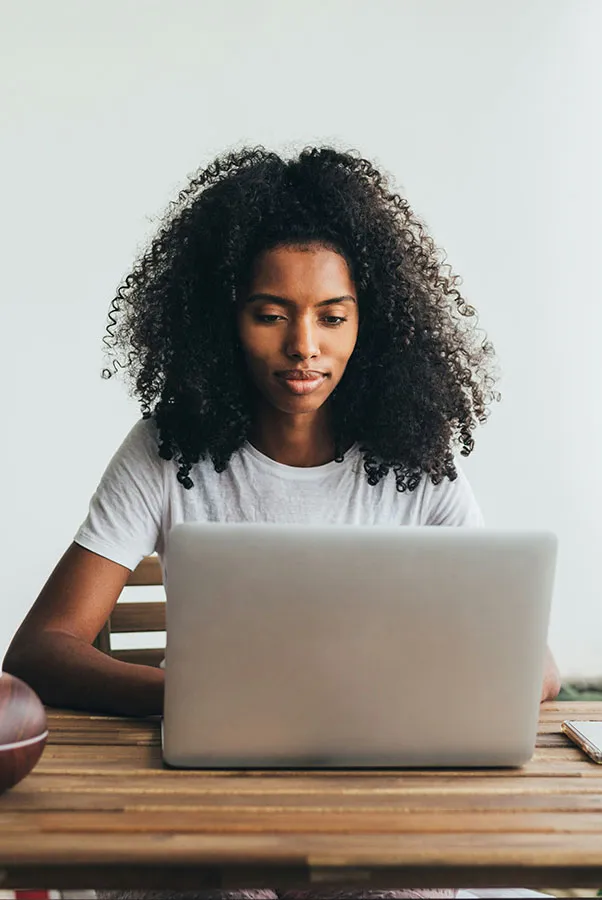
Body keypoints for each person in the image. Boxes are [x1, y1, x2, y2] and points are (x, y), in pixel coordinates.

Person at [3, 146, 561, 900]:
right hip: (213, 802)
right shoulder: (169, 449)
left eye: (332, 317)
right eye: (271, 315)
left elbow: (537, 666)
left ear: (373, 322)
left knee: (409, 884)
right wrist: (195, 699)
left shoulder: (413, 458)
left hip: (373, 801)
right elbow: (42, 648)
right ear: (224, 316)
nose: (304, 346)